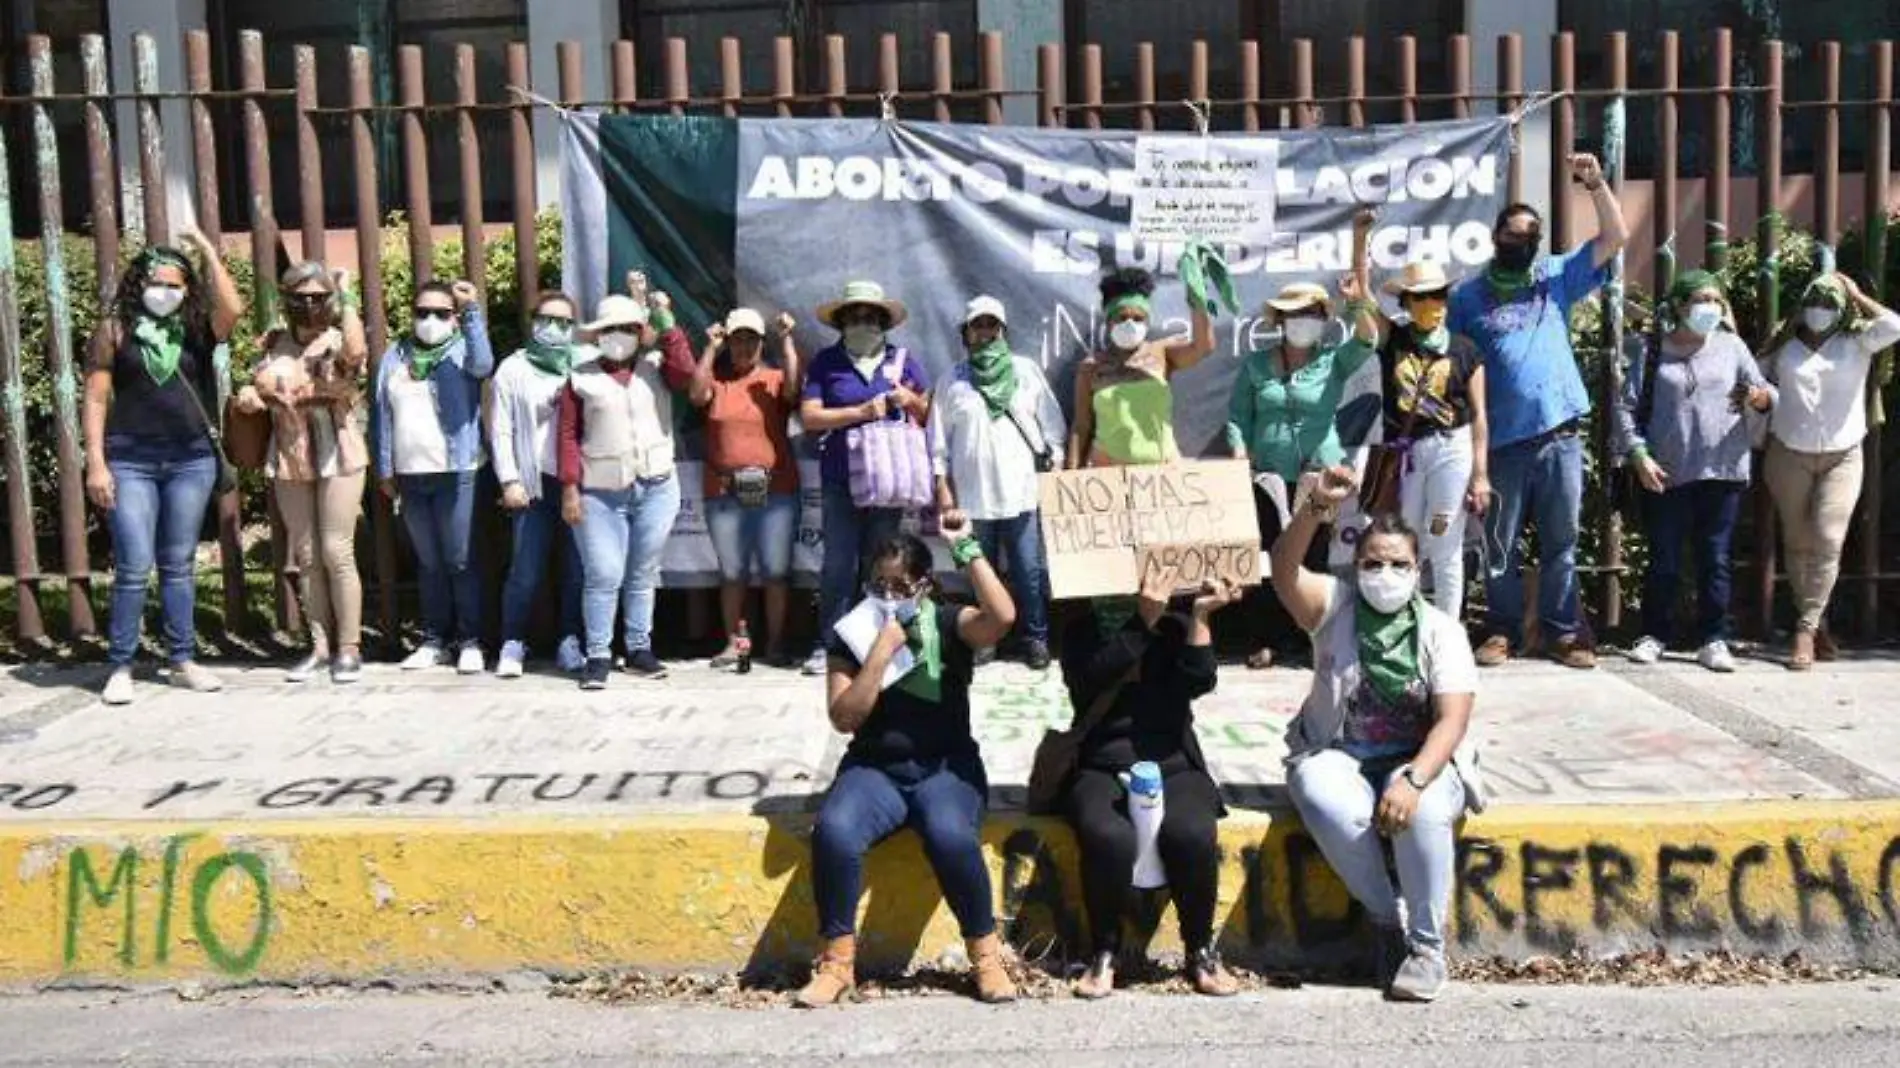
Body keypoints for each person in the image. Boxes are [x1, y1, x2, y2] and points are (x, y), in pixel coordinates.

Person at [1274, 467, 1477, 1003]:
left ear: (1418, 570)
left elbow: (1452, 719)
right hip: (1340, 751)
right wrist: (1315, 507)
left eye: (1398, 564)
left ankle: (1429, 949)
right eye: (1373, 563)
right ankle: (1388, 920)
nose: (1385, 573)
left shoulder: (1440, 630)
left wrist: (1413, 779)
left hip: (1418, 758)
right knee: (1325, 797)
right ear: (1355, 566)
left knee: (1425, 813)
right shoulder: (1333, 608)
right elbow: (1283, 568)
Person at [796, 523, 1018, 1008]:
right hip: (876, 768)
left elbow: (1002, 617)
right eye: (880, 584)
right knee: (834, 830)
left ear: (923, 585)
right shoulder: (853, 634)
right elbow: (844, 716)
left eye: (901, 586)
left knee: (950, 835)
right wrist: (879, 654)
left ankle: (986, 956)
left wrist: (966, 546)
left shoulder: (945, 622)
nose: (890, 595)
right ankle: (836, 962)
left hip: (945, 767)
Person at [1449, 153, 1628, 670]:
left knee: (1562, 541)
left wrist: (1595, 183)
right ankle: (1501, 630)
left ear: (1536, 243)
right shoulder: (1469, 297)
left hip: (1560, 436)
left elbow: (1614, 238)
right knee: (1499, 546)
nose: (1519, 243)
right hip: (1501, 441)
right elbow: (1457, 363)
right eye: (1511, 235)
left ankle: (1563, 632)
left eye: (1529, 237)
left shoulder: (1554, 277)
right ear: (1495, 238)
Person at [1056, 570, 1241, 1000]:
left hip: (1175, 762)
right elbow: (1092, 678)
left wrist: (1199, 617)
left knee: (1191, 833)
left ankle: (1200, 949)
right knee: (1108, 836)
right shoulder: (1081, 631)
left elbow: (1200, 680)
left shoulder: (1175, 627)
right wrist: (1140, 622)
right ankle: (1105, 951)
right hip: (1102, 764)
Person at [82, 233, 243, 705]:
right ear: (139, 283)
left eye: (176, 285)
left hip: (190, 459)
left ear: (188, 289)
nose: (165, 292)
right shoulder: (114, 331)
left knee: (178, 564)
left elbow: (231, 311)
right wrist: (96, 463)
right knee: (133, 564)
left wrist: (208, 253)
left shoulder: (195, 330)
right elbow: (94, 397)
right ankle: (121, 664)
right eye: (157, 282)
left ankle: (181, 659)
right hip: (130, 458)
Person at [1227, 211, 1381, 669]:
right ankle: (1266, 637)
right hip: (1267, 475)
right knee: (1268, 556)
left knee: (1312, 554)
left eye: (1312, 314)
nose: (1303, 321)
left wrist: (1356, 303)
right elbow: (1237, 416)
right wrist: (1239, 450)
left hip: (1319, 473)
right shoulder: (1256, 364)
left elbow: (1370, 340)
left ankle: (1306, 638)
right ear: (1281, 320)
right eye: (1294, 315)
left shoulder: (1332, 361)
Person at [1613, 271, 1774, 673]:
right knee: (1663, 559)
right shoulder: (1653, 351)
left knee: (1714, 558)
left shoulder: (1731, 346)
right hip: (1666, 472)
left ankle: (1713, 637)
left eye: (1716, 301)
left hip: (1722, 470)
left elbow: (1766, 392)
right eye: (1700, 300)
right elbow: (1625, 409)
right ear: (1680, 306)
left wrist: (1758, 397)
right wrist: (1639, 456)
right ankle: (1654, 634)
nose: (1710, 308)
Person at [236, 261, 370, 686]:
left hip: (339, 452)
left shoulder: (337, 338)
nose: (309, 305)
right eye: (300, 298)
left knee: (336, 549)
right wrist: (247, 397)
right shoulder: (274, 343)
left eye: (317, 297)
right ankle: (319, 646)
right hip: (290, 455)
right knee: (306, 554)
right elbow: (253, 384)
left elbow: (355, 355)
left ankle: (349, 648)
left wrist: (347, 296)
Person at [1760, 272, 1900, 670]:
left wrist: (1856, 294)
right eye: (1814, 303)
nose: (1820, 312)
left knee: (1828, 537)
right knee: (1798, 541)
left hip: (1843, 453)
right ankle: (1818, 623)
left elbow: (1895, 325)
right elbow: (1755, 377)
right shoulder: (1784, 344)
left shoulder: (1857, 341)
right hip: (1788, 451)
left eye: (1829, 304)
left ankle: (1804, 629)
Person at [559, 292, 696, 689]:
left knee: (641, 572)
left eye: (627, 328)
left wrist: (665, 321)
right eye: (610, 329)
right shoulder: (580, 376)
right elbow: (567, 436)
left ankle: (639, 648)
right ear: (598, 335)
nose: (618, 335)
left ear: (639, 333)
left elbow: (686, 374)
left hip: (656, 486)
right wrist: (570, 489)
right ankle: (598, 653)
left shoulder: (658, 368)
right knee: (603, 573)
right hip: (599, 492)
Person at [798, 280, 931, 677]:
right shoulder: (826, 362)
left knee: (882, 564)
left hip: (889, 481)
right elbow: (809, 417)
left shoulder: (904, 359)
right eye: (854, 316)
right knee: (838, 564)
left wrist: (911, 401)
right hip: (840, 477)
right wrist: (862, 412)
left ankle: (879, 642)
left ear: (883, 321)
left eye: (870, 316)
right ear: (841, 322)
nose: (863, 322)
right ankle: (830, 645)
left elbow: (928, 414)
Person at [931, 295, 1066, 670]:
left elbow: (1053, 426)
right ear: (966, 333)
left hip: (1022, 494)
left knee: (1029, 570)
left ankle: (1035, 639)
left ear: (1003, 330)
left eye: (992, 325)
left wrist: (1054, 468)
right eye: (978, 325)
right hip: (972, 500)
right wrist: (943, 489)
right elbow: (937, 441)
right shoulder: (952, 379)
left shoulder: (1025, 371)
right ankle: (985, 640)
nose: (986, 332)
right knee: (981, 573)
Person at [372, 279, 496, 673]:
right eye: (422, 312)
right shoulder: (394, 355)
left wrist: (471, 310)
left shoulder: (461, 351)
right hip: (411, 473)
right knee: (429, 562)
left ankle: (471, 640)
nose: (429, 320)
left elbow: (484, 365)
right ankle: (434, 640)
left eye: (441, 314)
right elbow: (381, 415)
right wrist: (385, 467)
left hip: (455, 469)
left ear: (454, 320)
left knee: (459, 559)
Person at [1375, 259, 1491, 620]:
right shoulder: (1394, 339)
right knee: (1406, 541)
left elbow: (1479, 414)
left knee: (1445, 542)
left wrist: (1481, 474)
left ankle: (1448, 632)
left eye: (1439, 295)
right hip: (1408, 452)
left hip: (1451, 448)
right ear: (1407, 303)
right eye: (1422, 297)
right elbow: (1361, 302)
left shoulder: (1465, 348)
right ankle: (1405, 624)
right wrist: (1361, 240)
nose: (1432, 304)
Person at [688, 306, 803, 668]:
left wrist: (787, 342)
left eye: (750, 339)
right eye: (737, 339)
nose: (743, 346)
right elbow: (695, 394)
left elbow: (795, 389)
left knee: (775, 572)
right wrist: (710, 348)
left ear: (760, 343)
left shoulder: (772, 379)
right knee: (733, 573)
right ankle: (733, 644)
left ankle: (776, 645)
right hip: (724, 492)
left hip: (776, 490)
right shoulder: (717, 385)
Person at [488, 291, 589, 678]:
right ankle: (513, 641)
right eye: (548, 319)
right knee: (525, 569)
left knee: (577, 569)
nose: (556, 328)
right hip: (532, 485)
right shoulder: (513, 369)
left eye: (565, 322)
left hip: (576, 485)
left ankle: (570, 640)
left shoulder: (584, 364)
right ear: (533, 321)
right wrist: (509, 480)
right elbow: (500, 429)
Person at [1067, 267, 1214, 469]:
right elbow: (1081, 427)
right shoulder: (1091, 367)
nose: (1130, 324)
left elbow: (1203, 347)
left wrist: (1197, 297)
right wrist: (1069, 475)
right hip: (1108, 474)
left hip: (1163, 474)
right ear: (1109, 322)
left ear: (1147, 322)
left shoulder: (1163, 353)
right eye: (1122, 317)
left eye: (1138, 318)